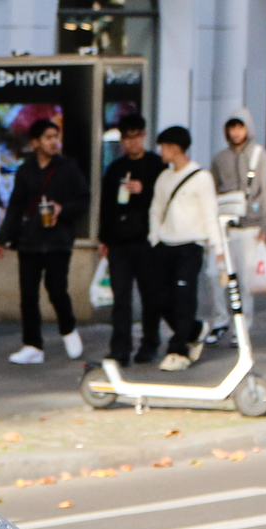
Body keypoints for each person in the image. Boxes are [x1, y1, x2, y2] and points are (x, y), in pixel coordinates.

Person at [0, 117, 88, 365]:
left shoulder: (68, 168)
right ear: (35, 142)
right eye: (48, 137)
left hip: (58, 240)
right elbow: (15, 204)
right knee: (28, 294)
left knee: (56, 289)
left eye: (56, 136)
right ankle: (32, 345)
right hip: (30, 240)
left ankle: (68, 329)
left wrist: (62, 209)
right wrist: (2, 237)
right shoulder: (25, 170)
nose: (54, 142)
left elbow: (83, 201)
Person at [148, 126, 218, 371]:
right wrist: (155, 238)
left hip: (191, 245)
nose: (161, 152)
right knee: (159, 298)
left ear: (175, 147)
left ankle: (179, 349)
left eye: (164, 147)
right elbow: (155, 210)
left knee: (184, 297)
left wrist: (216, 247)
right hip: (166, 245)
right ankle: (195, 329)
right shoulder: (163, 178)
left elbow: (210, 214)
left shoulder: (201, 177)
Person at [96, 114, 165, 364]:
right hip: (119, 242)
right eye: (127, 137)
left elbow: (164, 200)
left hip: (146, 241)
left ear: (144, 136)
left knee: (151, 296)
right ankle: (120, 347)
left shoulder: (156, 165)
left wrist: (143, 190)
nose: (132, 142)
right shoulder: (115, 168)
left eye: (136, 136)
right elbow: (106, 205)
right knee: (121, 298)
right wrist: (103, 238)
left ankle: (150, 343)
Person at [205, 111, 266, 342]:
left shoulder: (259, 155)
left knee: (245, 281)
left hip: (250, 226)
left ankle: (242, 327)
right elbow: (212, 190)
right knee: (215, 276)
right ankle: (220, 320)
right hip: (224, 226)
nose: (236, 132)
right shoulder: (220, 158)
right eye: (231, 127)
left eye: (240, 127)